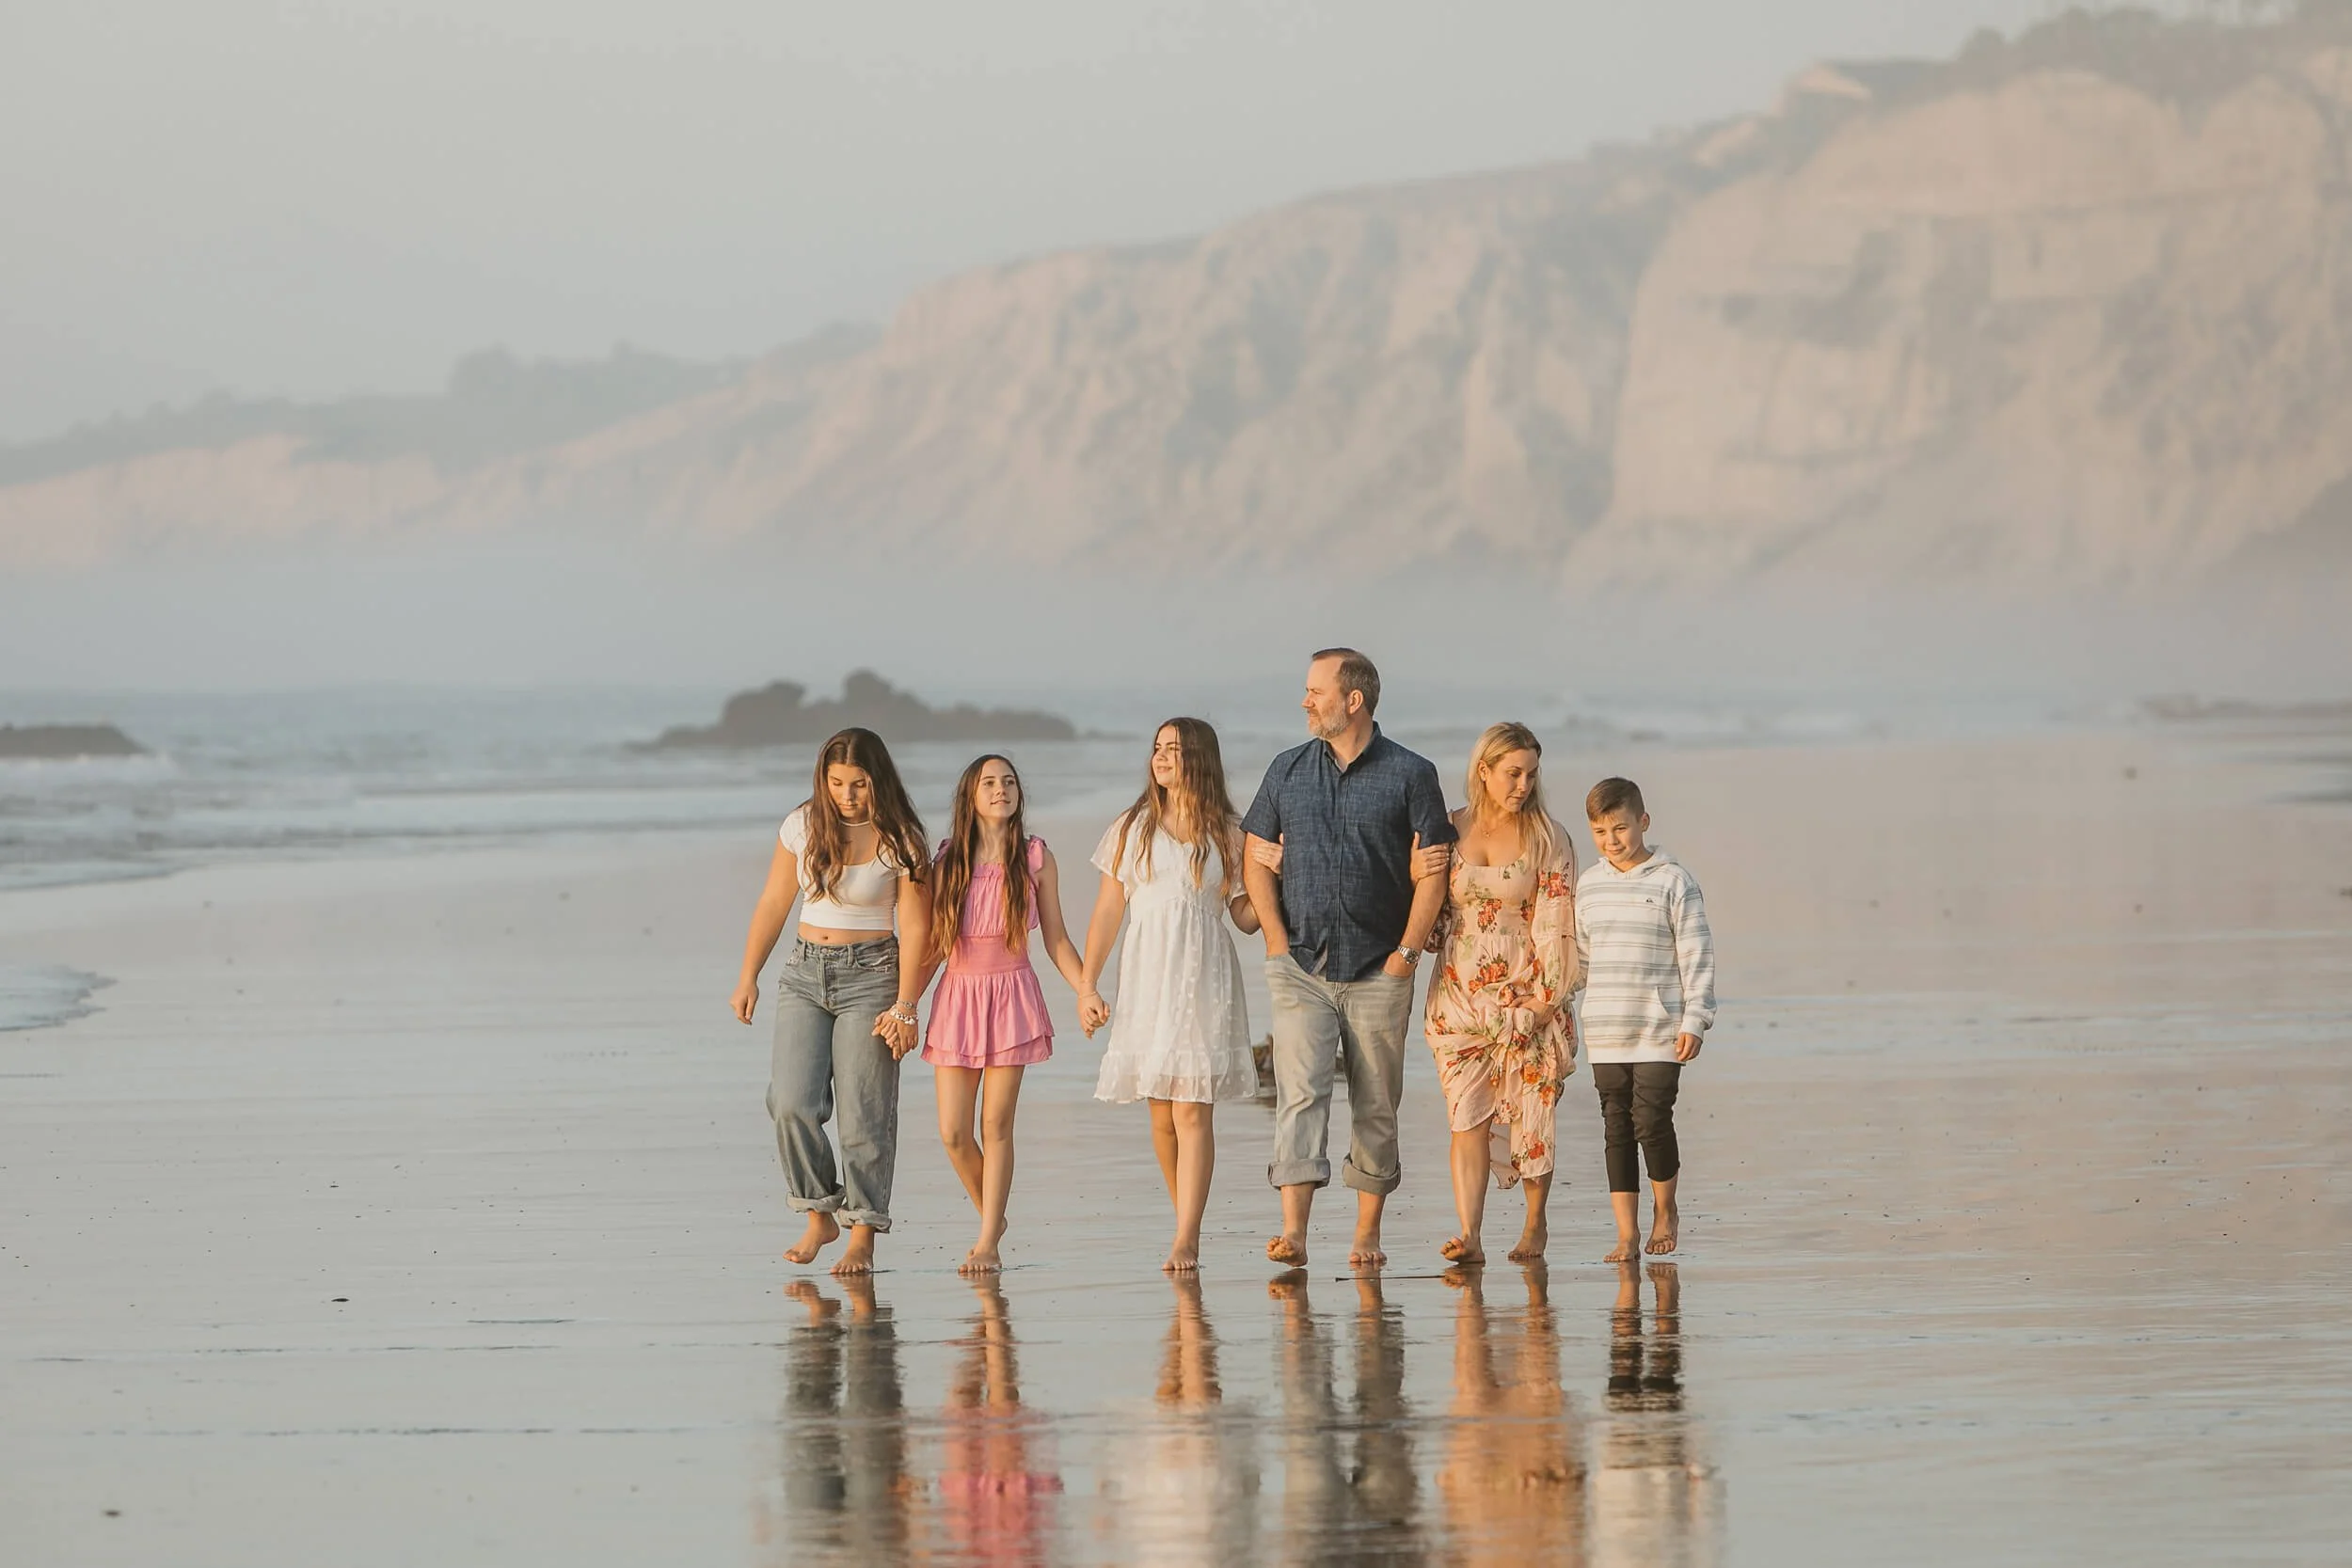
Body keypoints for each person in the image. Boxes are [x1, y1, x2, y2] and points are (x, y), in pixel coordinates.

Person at [1241, 647, 1454, 1269]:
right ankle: (1295, 1233)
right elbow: (1254, 852)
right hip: (1300, 962)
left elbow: (1434, 871)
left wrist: (1407, 955)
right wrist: (1276, 941)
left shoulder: (1412, 774)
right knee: (1299, 1093)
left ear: (1352, 700)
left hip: (1380, 963)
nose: (1306, 701)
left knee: (1376, 1102)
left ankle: (1366, 1234)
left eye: (1316, 691)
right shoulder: (1286, 770)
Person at [731, 728, 931, 1277]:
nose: (847, 795)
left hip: (874, 977)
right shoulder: (801, 825)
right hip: (803, 973)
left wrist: (907, 1005)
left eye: (859, 784)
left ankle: (863, 1230)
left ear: (878, 781)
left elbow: (916, 927)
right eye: (837, 783)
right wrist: (748, 974)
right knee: (790, 1102)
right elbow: (775, 900)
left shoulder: (902, 838)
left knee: (865, 1114)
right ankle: (818, 1211)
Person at [1078, 718, 1263, 1274]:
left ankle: (1188, 1234)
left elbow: (1244, 918)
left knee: (1192, 1109)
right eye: (1157, 748)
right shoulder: (1132, 827)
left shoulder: (1228, 832)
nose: (1162, 757)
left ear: (1199, 758)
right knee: (1160, 1112)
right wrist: (1088, 983)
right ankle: (1183, 1214)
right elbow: (1109, 911)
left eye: (1175, 749)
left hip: (1205, 974)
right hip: (1148, 975)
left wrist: (1270, 882)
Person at [919, 753, 1087, 1275]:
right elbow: (931, 946)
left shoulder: (1036, 858)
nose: (1001, 790)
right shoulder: (946, 861)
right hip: (958, 997)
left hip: (1011, 994)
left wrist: (1086, 989)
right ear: (970, 795)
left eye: (1009, 781)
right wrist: (902, 1006)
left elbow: (1056, 937)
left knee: (996, 1123)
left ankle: (989, 1236)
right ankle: (995, 1213)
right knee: (952, 1131)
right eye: (989, 782)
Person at [1423, 721, 1581, 1266]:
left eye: (1531, 774)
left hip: (1525, 997)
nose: (1523, 785)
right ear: (1483, 771)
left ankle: (1535, 1222)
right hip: (1459, 998)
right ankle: (1470, 1234)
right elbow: (1429, 910)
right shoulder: (1447, 828)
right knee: (1466, 1116)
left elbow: (1559, 923)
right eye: (1512, 773)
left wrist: (1542, 1002)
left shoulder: (1548, 836)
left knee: (1531, 1116)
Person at [1575, 776, 1716, 1260]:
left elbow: (1696, 953)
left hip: (1659, 1029)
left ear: (1643, 822)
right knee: (1616, 1126)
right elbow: (1583, 959)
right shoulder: (1589, 886)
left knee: (1651, 1122)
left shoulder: (1674, 880)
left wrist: (1695, 1018)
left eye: (1620, 828)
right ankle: (1626, 1234)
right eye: (1600, 832)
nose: (1611, 841)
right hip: (1605, 1030)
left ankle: (1664, 1210)